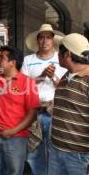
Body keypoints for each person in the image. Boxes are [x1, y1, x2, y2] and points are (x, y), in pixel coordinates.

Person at [0, 46, 40, 175]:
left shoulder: (28, 83)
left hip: (16, 138)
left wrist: (13, 131)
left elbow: (33, 113)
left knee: (14, 172)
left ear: (13, 63)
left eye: (2, 57)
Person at [21, 24, 67, 175]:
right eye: (41, 37)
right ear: (37, 40)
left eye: (48, 37)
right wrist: (41, 76)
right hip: (33, 111)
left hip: (55, 111)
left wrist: (53, 77)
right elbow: (22, 86)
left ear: (53, 40)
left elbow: (66, 87)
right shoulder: (29, 60)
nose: (45, 40)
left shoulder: (61, 59)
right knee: (34, 152)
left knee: (56, 151)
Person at [48, 33, 89, 175]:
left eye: (60, 52)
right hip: (56, 150)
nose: (57, 55)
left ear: (68, 55)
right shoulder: (66, 76)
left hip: (80, 158)